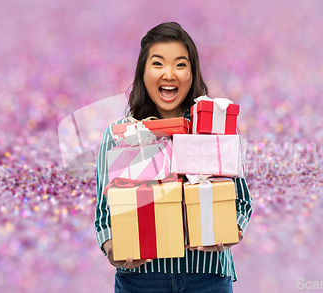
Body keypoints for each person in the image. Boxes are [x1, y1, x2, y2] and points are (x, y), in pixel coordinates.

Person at [95, 22, 252, 293]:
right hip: (141, 278)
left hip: (207, 275)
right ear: (143, 73)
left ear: (192, 73)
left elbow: (241, 200)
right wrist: (112, 247)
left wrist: (230, 230)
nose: (169, 74)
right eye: (158, 64)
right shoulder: (119, 136)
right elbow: (104, 213)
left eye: (180, 64)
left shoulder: (215, 128)